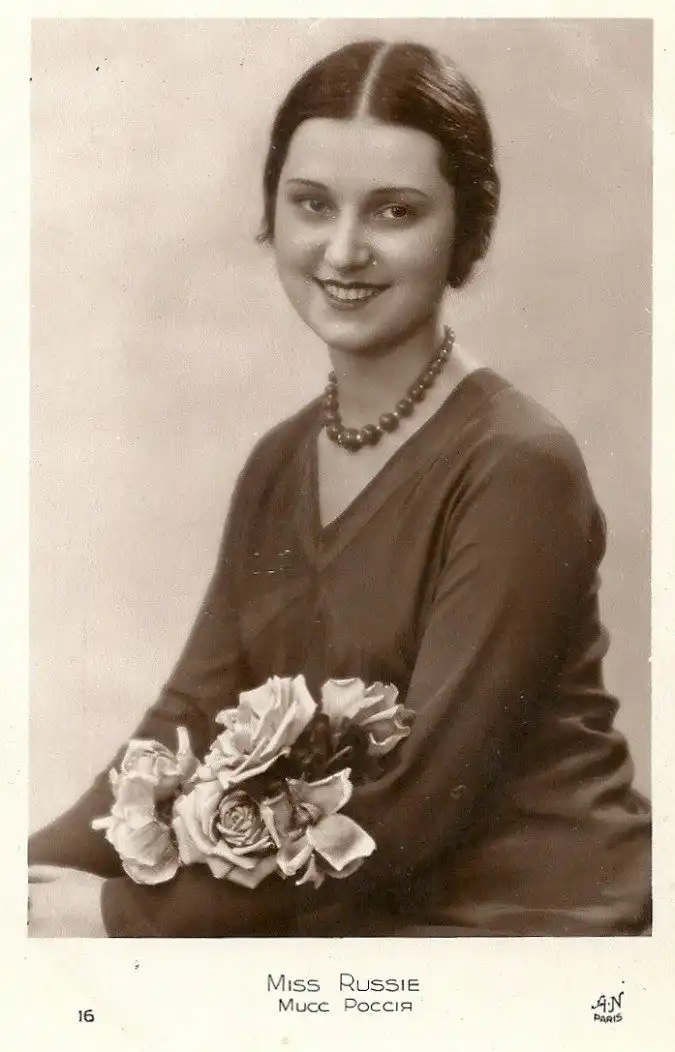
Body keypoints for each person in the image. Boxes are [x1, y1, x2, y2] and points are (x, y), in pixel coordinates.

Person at [28, 39, 651, 937]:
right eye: (312, 204)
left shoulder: (518, 465)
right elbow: (183, 723)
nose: (344, 249)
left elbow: (419, 799)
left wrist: (120, 914)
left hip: (530, 930)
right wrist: (23, 878)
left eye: (395, 211)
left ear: (464, 229)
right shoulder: (278, 462)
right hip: (356, 923)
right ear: (272, 212)